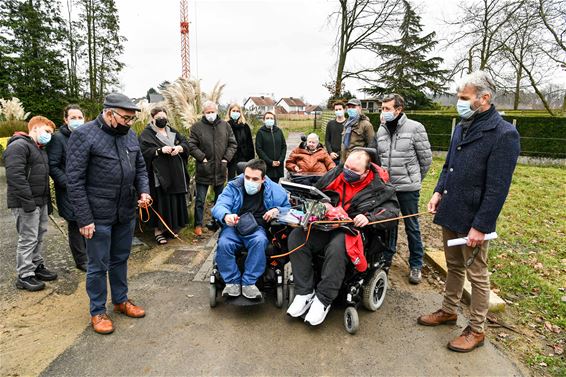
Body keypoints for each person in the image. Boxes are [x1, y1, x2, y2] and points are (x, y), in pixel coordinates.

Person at [418, 71, 520, 353]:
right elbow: (449, 164)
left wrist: (481, 226)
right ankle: (449, 310)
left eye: (464, 98)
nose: (459, 102)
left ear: (484, 98)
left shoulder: (504, 134)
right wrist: (438, 192)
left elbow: (498, 187)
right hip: (451, 209)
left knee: (477, 275)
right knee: (453, 266)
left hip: (474, 219)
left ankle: (476, 329)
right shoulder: (463, 126)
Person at [66, 93, 151, 335]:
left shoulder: (130, 135)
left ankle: (121, 300)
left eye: (133, 118)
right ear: (109, 113)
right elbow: (74, 180)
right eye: (126, 117)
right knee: (97, 265)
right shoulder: (84, 135)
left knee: (120, 258)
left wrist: (143, 191)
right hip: (97, 214)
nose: (129, 122)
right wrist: (84, 218)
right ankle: (97, 311)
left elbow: (141, 169)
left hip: (125, 211)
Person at [286, 150, 399, 326]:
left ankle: (323, 299)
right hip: (328, 224)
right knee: (297, 237)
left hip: (353, 230)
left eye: (354, 170)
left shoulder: (381, 187)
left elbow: (392, 212)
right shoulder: (337, 173)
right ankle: (304, 292)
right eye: (346, 166)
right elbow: (319, 191)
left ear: (366, 171)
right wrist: (323, 203)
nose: (347, 171)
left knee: (338, 246)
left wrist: (369, 217)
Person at [371, 93, 432, 284]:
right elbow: (377, 159)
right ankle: (387, 259)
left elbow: (426, 160)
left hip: (408, 189)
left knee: (412, 226)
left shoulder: (415, 128)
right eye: (382, 108)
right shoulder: (380, 131)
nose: (384, 112)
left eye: (387, 109)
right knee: (389, 224)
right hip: (387, 188)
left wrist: (413, 180)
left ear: (398, 109)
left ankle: (415, 264)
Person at [211, 159, 291, 299]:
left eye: (255, 179)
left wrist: (276, 210)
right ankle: (232, 282)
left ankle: (249, 282)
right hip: (235, 224)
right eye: (247, 177)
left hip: (257, 227)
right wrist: (226, 215)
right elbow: (219, 205)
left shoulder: (275, 190)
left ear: (263, 179)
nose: (249, 181)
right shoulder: (233, 186)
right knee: (224, 243)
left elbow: (288, 209)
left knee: (260, 241)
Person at [4, 116, 58, 292]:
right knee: (28, 238)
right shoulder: (18, 146)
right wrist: (29, 202)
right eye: (47, 131)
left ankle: (36, 265)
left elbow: (42, 178)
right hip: (25, 203)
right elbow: (15, 177)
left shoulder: (39, 149)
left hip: (39, 201)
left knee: (39, 235)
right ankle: (25, 275)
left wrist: (46, 202)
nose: (49, 135)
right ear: (35, 128)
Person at [139, 107, 190, 245]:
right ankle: (158, 231)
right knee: (161, 201)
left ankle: (171, 228)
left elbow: (185, 143)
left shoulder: (172, 131)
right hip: (159, 176)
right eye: (159, 117)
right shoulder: (147, 134)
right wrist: (159, 150)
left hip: (175, 174)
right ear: (152, 119)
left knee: (173, 201)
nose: (162, 120)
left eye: (164, 117)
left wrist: (180, 148)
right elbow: (143, 152)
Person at [188, 100, 237, 237]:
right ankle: (198, 224)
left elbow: (233, 144)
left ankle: (217, 222)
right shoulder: (197, 127)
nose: (210, 114)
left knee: (220, 199)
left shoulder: (225, 126)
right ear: (203, 113)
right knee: (200, 200)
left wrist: (226, 159)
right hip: (204, 169)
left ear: (217, 111)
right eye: (208, 112)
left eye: (212, 112)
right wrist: (202, 157)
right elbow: (191, 145)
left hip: (220, 169)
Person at [47, 104, 88, 271]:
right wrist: (68, 183)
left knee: (87, 221)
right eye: (73, 118)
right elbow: (53, 165)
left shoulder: (86, 136)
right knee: (76, 224)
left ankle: (91, 255)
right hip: (69, 189)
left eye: (80, 118)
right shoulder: (58, 139)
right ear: (65, 119)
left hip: (86, 187)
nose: (77, 121)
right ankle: (81, 260)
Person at [225, 103, 255, 180]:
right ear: (230, 112)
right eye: (234, 110)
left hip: (243, 158)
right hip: (230, 159)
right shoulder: (225, 125)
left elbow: (250, 144)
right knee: (231, 181)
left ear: (240, 113)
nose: (236, 112)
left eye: (237, 111)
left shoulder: (245, 126)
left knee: (243, 180)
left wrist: (251, 160)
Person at [255, 112, 286, 183]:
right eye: (267, 118)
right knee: (266, 187)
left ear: (274, 120)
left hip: (278, 166)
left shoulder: (278, 131)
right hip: (267, 166)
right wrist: (270, 162)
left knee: (275, 186)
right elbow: (259, 149)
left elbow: (284, 146)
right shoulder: (260, 132)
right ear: (264, 120)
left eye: (271, 118)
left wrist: (280, 160)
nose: (269, 120)